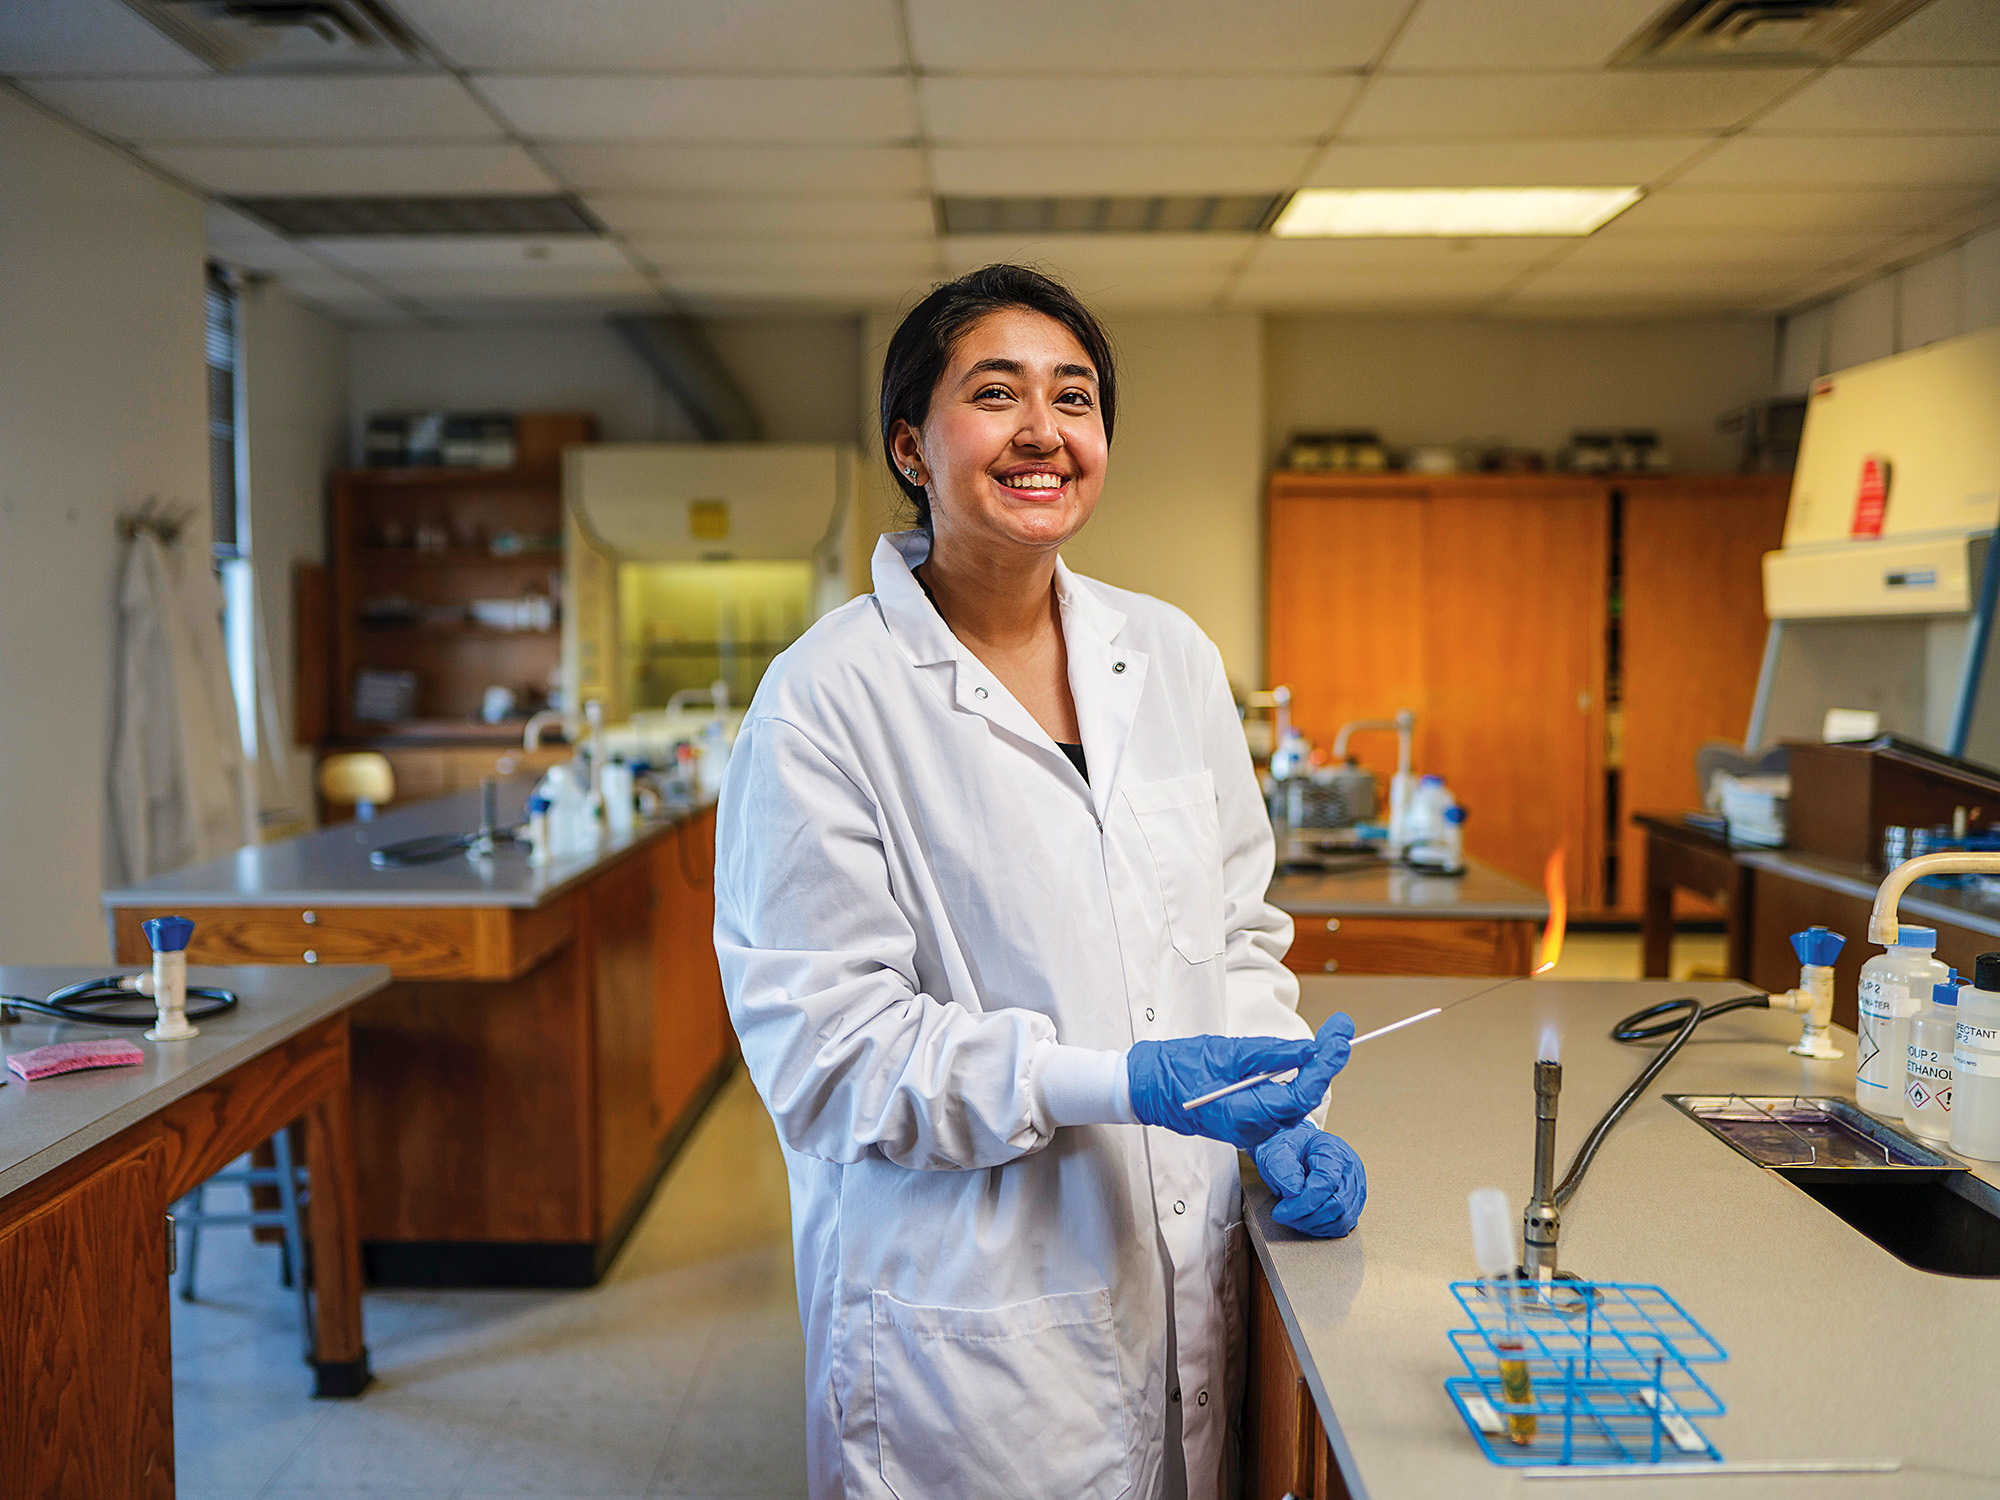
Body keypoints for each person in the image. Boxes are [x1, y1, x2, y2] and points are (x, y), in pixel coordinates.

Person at [714, 264, 1367, 1500]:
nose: (1042, 431)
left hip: (1183, 1267)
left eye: (1074, 397)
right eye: (995, 393)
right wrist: (1113, 1081)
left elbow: (1236, 935)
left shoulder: (1166, 655)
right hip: (967, 1325)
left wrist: (1284, 1113)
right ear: (911, 445)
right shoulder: (823, 699)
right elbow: (828, 1051)